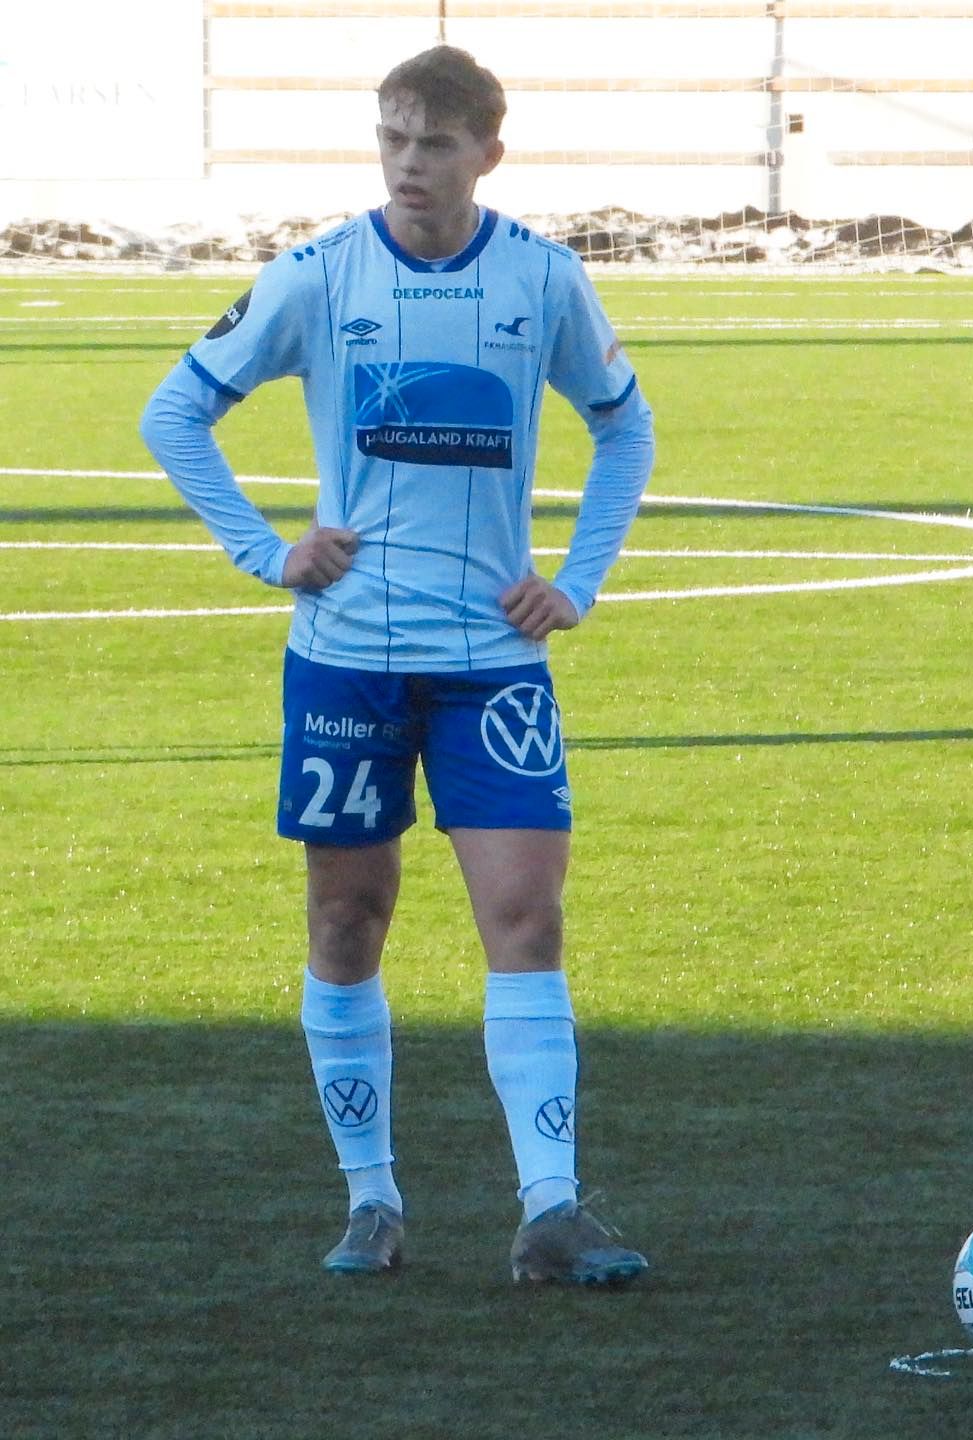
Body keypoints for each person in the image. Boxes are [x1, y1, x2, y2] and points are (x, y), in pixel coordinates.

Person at [140, 45, 653, 1286]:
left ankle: (552, 1209)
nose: (408, 165)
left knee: (525, 918)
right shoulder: (319, 276)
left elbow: (624, 422)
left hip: (493, 662)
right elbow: (175, 411)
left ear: (488, 150)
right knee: (345, 918)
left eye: (433, 144)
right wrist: (269, 554)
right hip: (348, 662)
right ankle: (371, 1201)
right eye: (391, 140)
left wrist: (576, 580)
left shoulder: (540, 278)